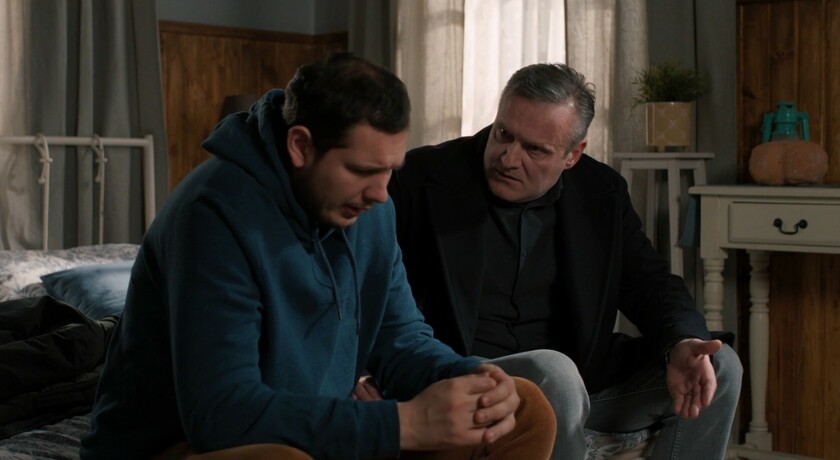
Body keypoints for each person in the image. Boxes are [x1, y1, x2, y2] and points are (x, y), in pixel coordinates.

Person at [80, 53, 557, 460]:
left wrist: (468, 376)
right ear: (301, 146)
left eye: (390, 170)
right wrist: (402, 424)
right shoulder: (214, 214)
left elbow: (400, 339)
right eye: (361, 170)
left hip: (314, 432)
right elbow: (221, 415)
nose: (380, 193)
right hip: (188, 446)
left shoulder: (370, 208)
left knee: (524, 408)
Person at [386, 62, 743, 459]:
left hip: (584, 386)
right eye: (503, 134)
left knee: (720, 366)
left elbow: (650, 283)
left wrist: (682, 340)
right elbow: (371, 291)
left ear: (573, 154)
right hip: (470, 382)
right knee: (554, 372)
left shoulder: (601, 191)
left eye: (534, 149)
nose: (508, 158)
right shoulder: (421, 177)